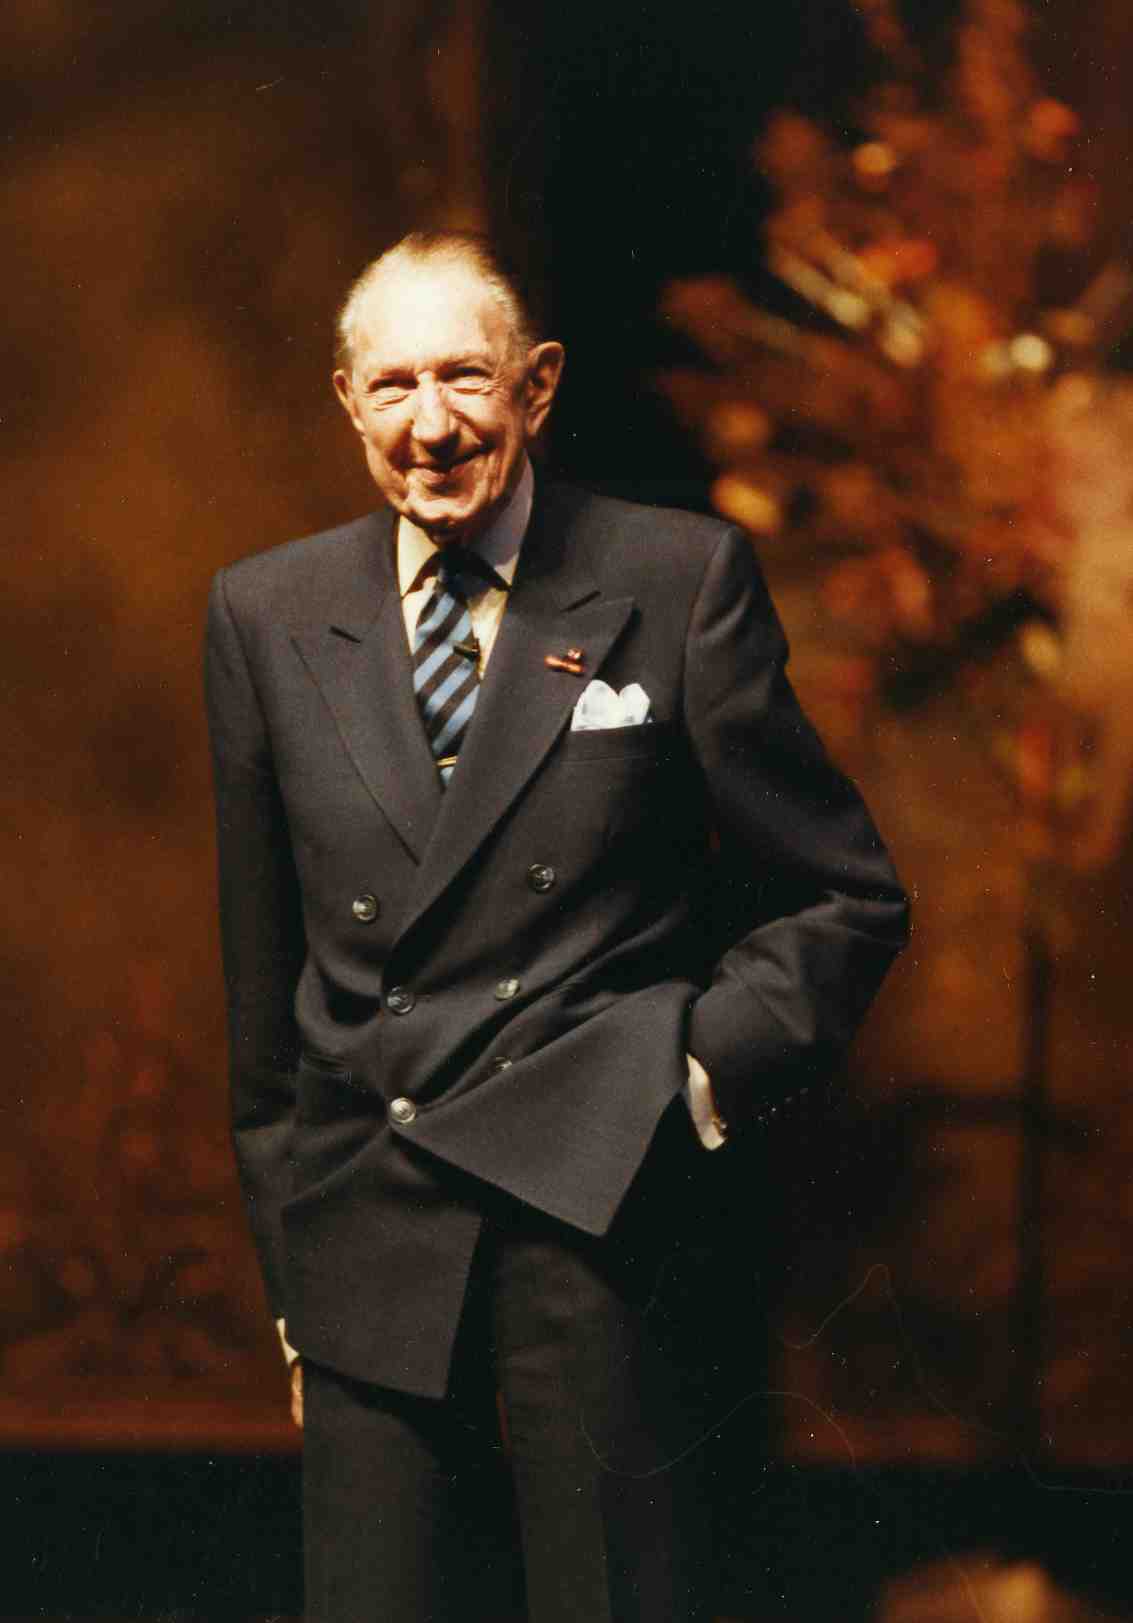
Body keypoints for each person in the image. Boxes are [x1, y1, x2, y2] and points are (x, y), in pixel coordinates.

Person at [204, 230, 909, 1623]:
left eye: (465, 378)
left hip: (597, 1229)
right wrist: (295, 1285)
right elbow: (262, 987)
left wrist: (686, 1074)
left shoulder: (676, 575)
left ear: (536, 385)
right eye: (393, 385)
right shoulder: (263, 612)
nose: (431, 425)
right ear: (347, 401)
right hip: (369, 1232)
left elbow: (848, 895)